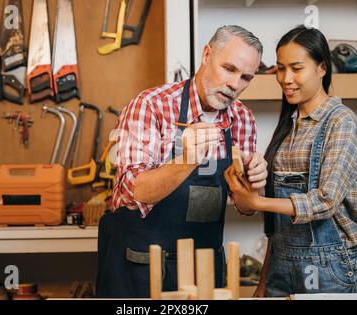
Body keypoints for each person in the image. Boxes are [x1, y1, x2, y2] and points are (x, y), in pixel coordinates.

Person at [96, 25, 268, 298]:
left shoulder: (243, 119)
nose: (235, 84)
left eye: (246, 77)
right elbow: (135, 190)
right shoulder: (151, 106)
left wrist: (253, 185)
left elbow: (245, 207)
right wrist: (186, 160)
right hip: (140, 267)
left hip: (204, 272)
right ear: (207, 55)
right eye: (229, 69)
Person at [225, 25, 357, 297]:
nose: (285, 78)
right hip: (281, 266)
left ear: (322, 68)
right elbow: (277, 228)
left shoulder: (340, 123)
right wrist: (263, 280)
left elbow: (325, 201)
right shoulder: (289, 126)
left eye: (296, 68)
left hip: (329, 270)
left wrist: (257, 202)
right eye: (280, 68)